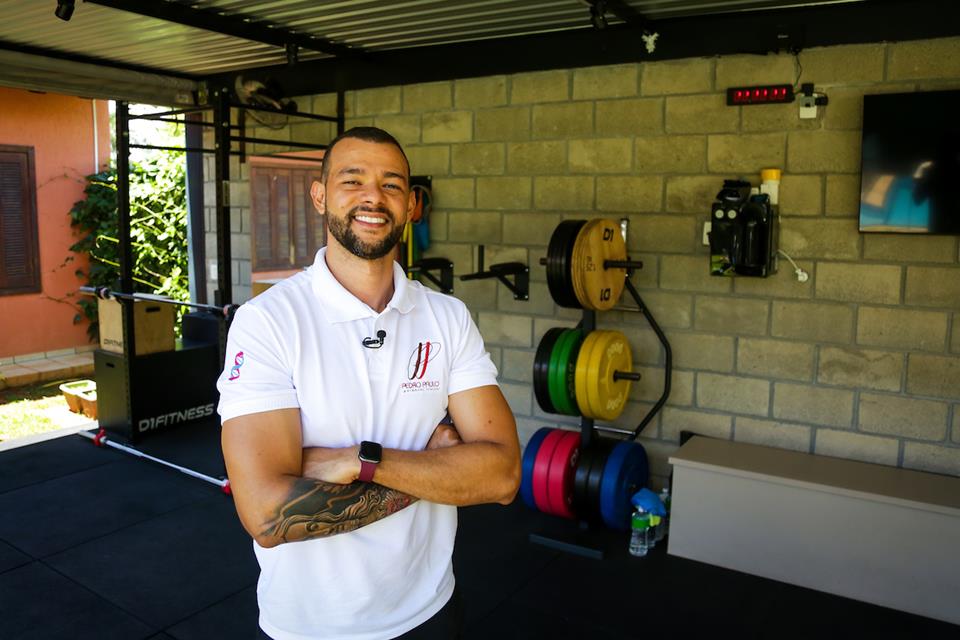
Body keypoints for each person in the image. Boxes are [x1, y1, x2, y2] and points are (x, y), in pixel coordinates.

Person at [217, 126, 521, 640]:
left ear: (412, 205)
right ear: (319, 195)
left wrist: (354, 462)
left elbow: (504, 475)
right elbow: (268, 517)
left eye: (392, 185)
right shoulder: (267, 321)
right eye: (352, 180)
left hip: (431, 611)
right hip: (312, 627)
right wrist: (434, 474)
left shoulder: (447, 316)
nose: (373, 198)